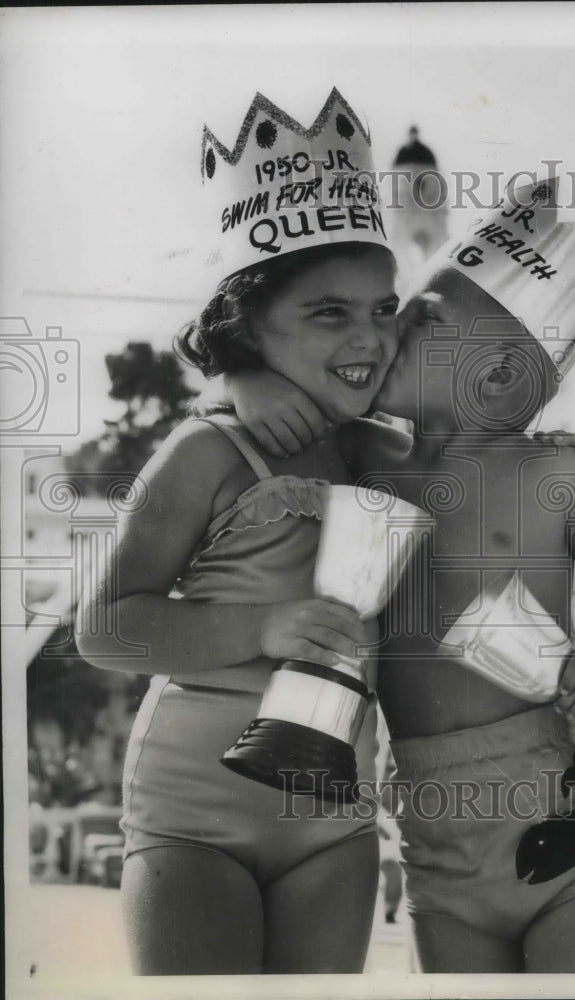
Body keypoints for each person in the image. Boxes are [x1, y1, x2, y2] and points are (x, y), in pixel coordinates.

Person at [229, 182, 575, 973]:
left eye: (425, 316)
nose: (393, 327)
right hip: (434, 831)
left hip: (569, 813)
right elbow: (274, 393)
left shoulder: (556, 476)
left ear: (500, 378)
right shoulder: (362, 454)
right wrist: (245, 378)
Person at [76, 88, 403, 975]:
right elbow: (104, 627)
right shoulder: (208, 450)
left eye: (383, 308)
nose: (369, 336)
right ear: (250, 324)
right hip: (195, 818)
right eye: (328, 312)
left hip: (331, 823)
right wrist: (260, 629)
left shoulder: (384, 452)